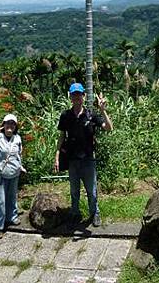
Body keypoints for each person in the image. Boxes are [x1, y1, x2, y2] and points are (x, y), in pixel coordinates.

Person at [54, 83, 113, 227]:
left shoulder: (91, 115)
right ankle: (75, 213)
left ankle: (95, 213)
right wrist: (56, 157)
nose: (77, 97)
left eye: (79, 94)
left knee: (91, 191)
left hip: (88, 159)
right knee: (74, 191)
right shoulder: (66, 116)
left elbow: (109, 128)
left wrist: (103, 110)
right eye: (74, 95)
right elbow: (62, 137)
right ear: (70, 96)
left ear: (84, 96)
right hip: (72, 160)